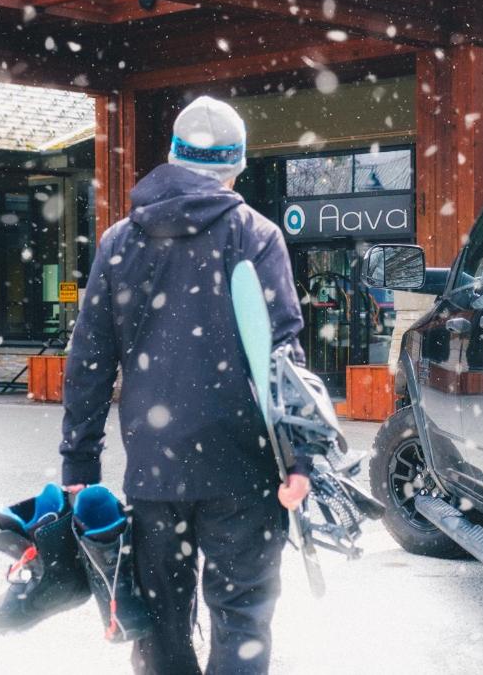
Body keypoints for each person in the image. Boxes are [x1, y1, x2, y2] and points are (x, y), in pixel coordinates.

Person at [59, 95, 310, 674]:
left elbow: (90, 360)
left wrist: (79, 467)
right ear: (237, 166)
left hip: (155, 470)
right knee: (242, 619)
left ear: (171, 158)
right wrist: (301, 460)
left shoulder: (119, 242)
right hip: (246, 468)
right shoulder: (256, 235)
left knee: (161, 627)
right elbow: (283, 356)